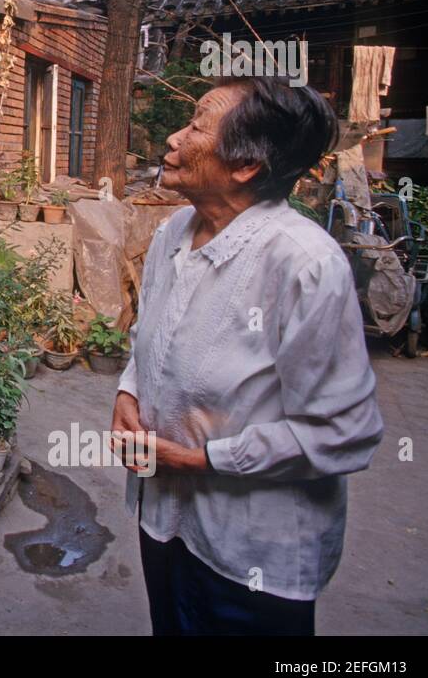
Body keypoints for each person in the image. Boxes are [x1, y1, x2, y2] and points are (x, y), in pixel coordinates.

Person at [112, 76, 384, 635]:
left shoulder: (305, 263)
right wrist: (129, 390)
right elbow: (152, 334)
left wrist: (202, 460)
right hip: (162, 516)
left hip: (251, 549)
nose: (174, 138)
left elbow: (344, 432)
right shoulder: (174, 232)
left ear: (246, 166)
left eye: (196, 126)